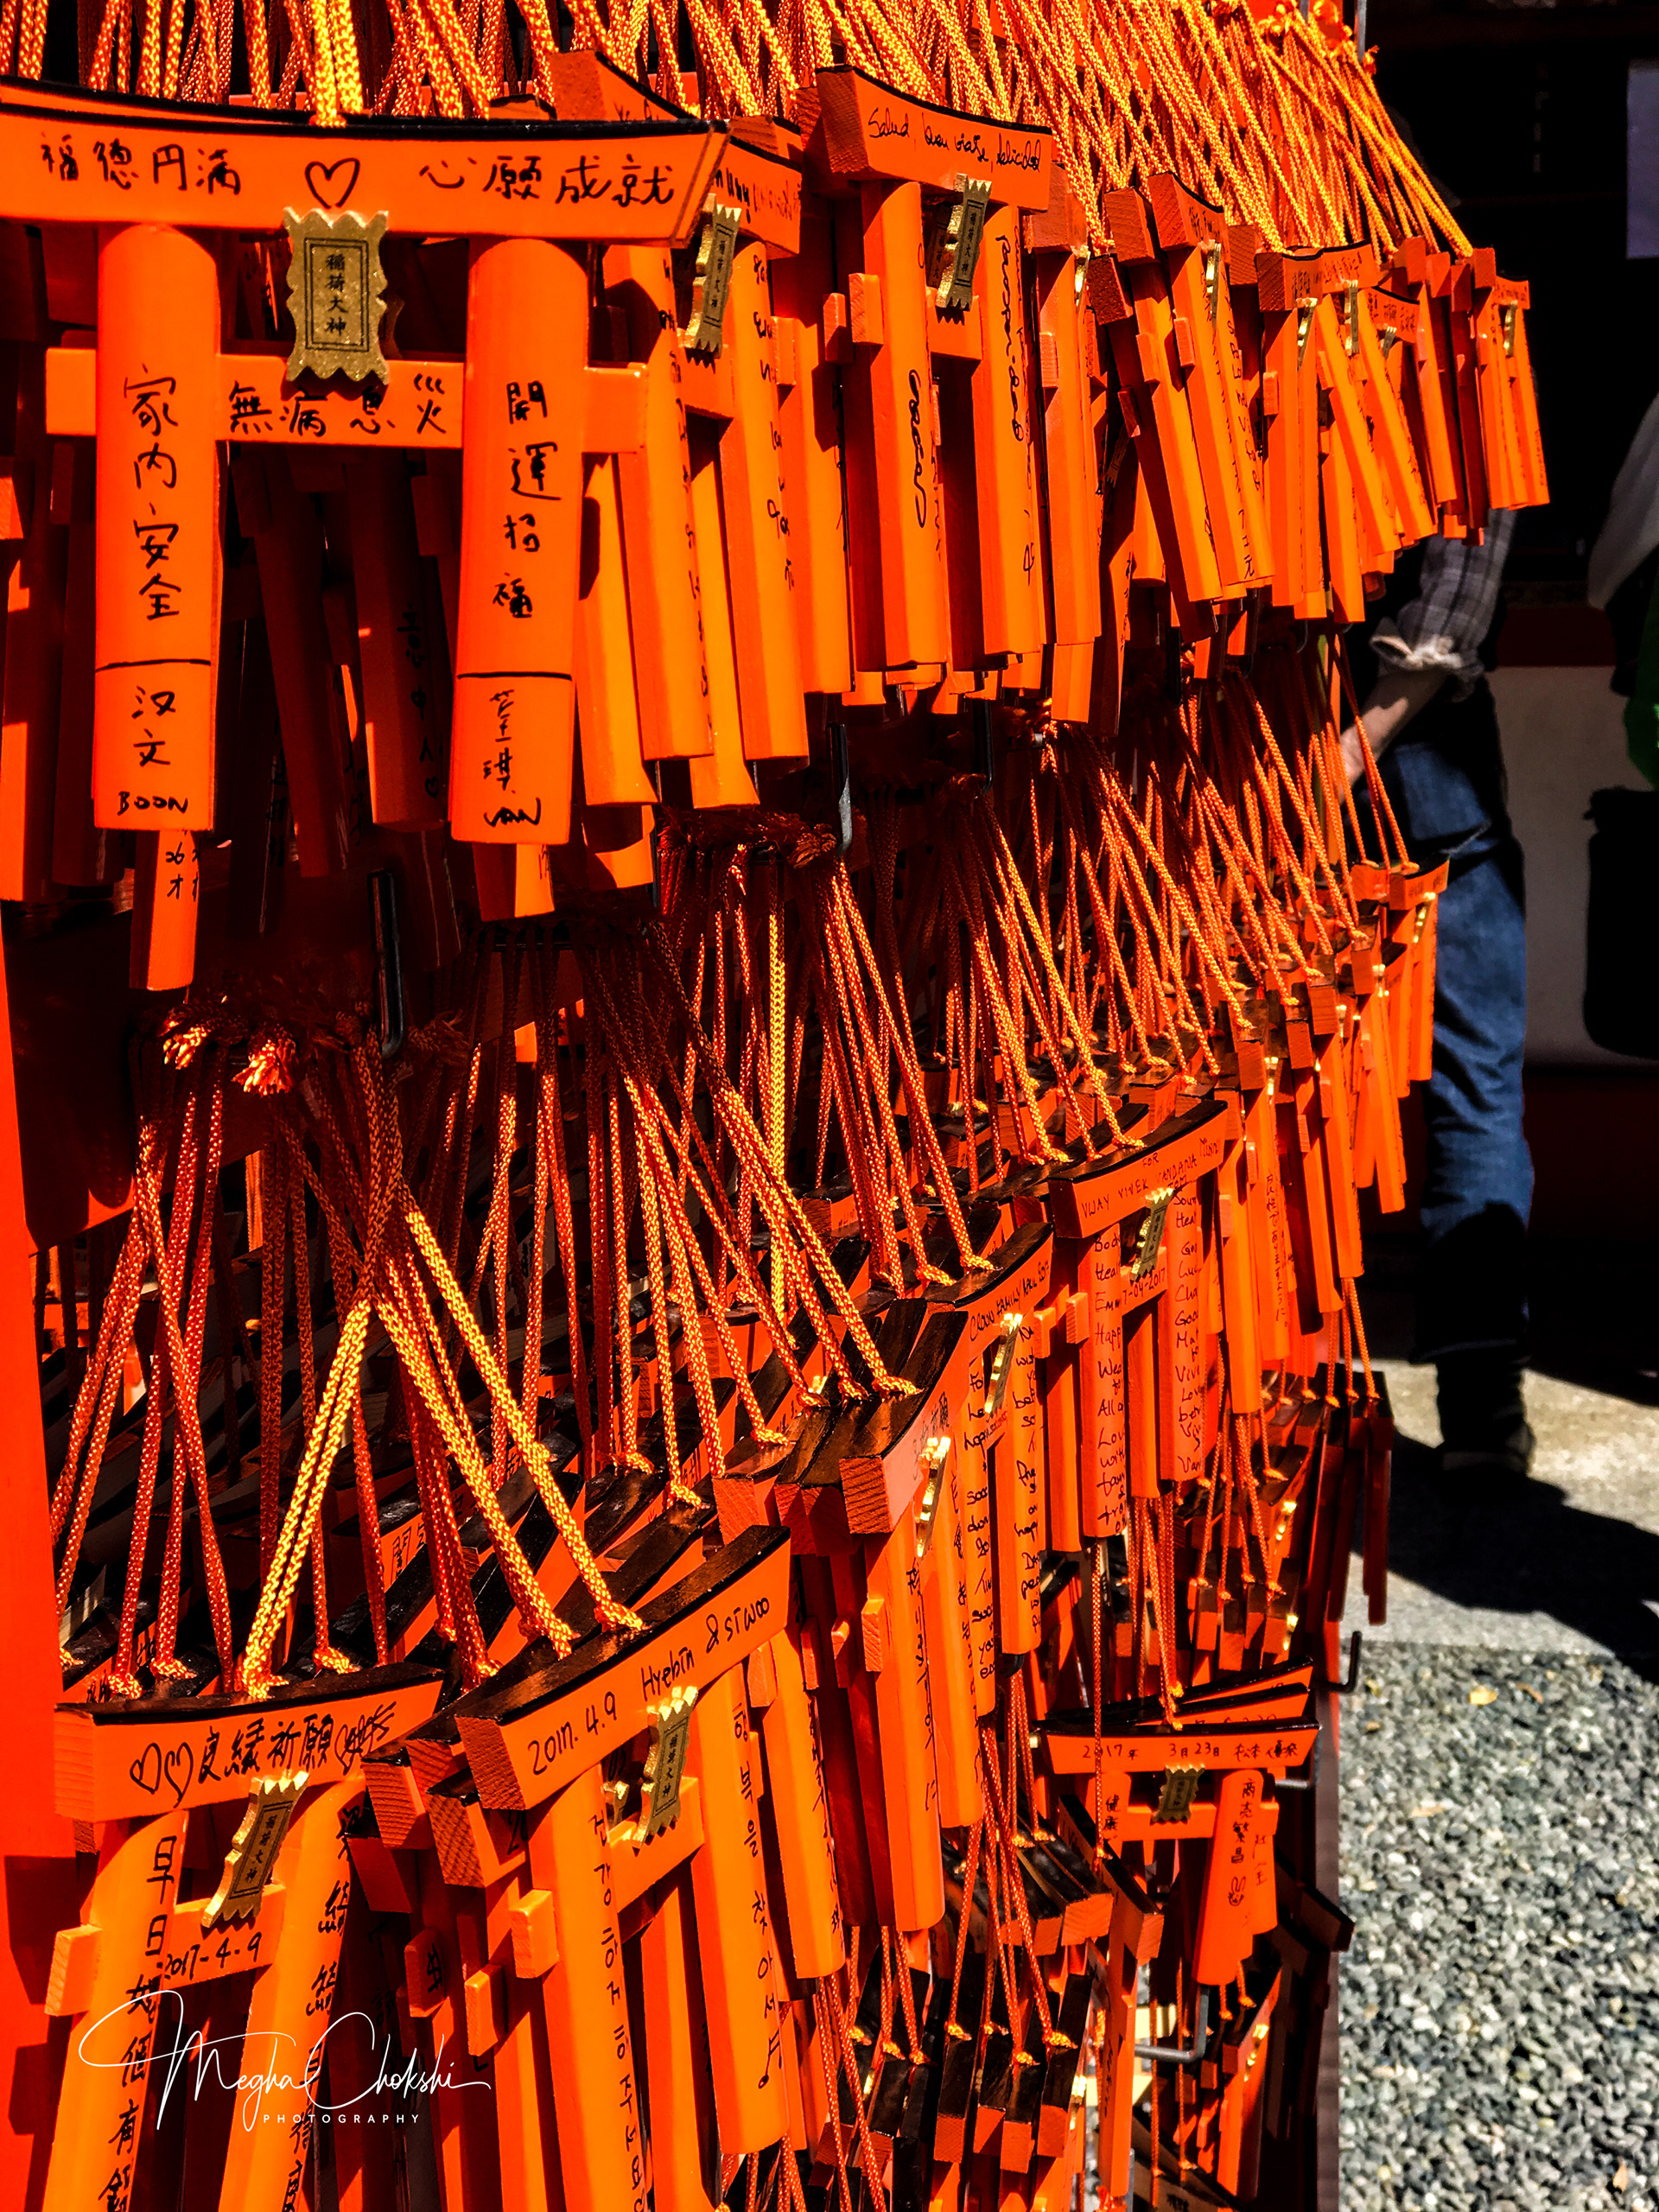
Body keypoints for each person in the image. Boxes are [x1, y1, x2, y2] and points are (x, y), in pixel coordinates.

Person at [1339, 512, 1535, 1483]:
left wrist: (1334, 762)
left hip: (1345, 758)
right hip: (1416, 766)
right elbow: (1456, 601)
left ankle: (1470, 1398)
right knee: (1471, 1079)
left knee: (1310, 1075)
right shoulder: (1456, 370)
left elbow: (1447, 619)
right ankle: (1478, 1411)